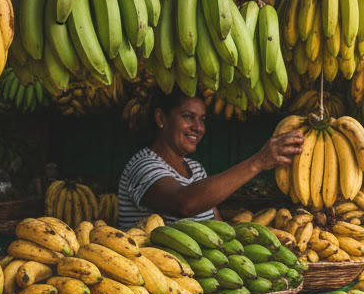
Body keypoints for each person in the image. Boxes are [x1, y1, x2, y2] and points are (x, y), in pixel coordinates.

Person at [116, 91, 303, 228]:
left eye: (202, 119)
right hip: (158, 270)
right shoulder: (143, 166)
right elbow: (183, 204)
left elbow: (217, 225)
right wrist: (258, 162)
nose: (198, 127)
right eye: (188, 117)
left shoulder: (195, 169)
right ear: (161, 118)